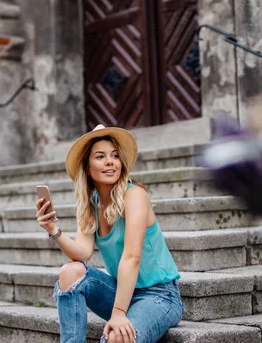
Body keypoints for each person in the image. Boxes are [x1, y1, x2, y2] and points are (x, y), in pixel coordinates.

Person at [36, 125, 183, 343]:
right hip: (122, 292)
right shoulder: (91, 205)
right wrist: (54, 231)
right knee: (70, 272)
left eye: (115, 156)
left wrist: (118, 313)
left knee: (117, 338)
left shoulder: (135, 195)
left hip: (159, 296)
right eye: (100, 156)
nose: (110, 161)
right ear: (87, 167)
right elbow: (82, 253)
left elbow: (132, 258)